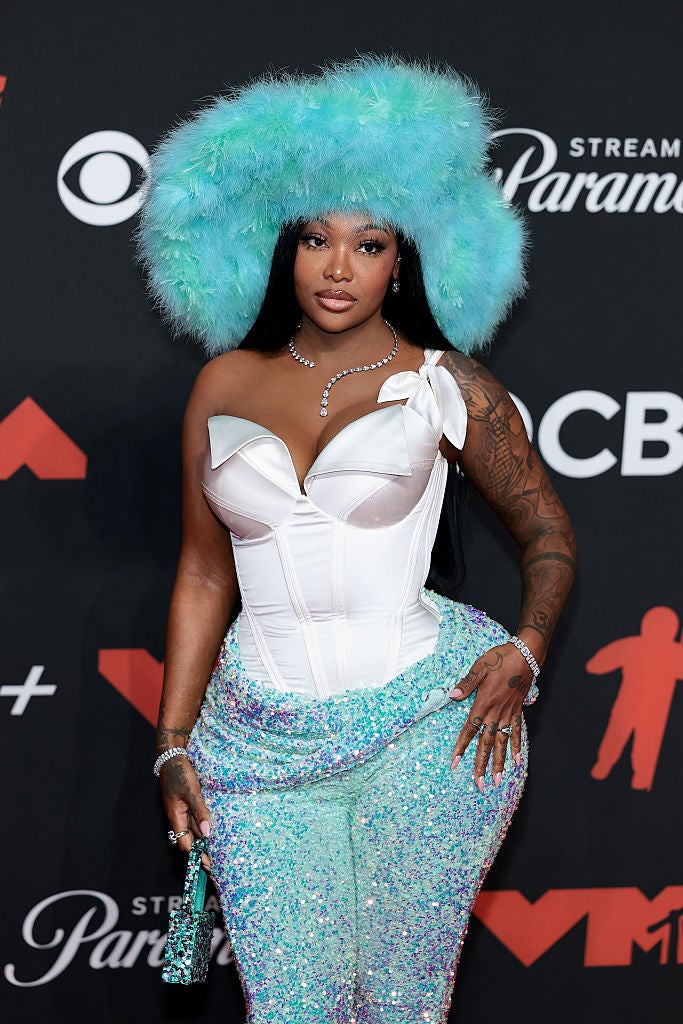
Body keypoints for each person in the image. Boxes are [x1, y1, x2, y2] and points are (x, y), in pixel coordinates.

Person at [139, 57, 576, 1023]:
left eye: (368, 244)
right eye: (315, 239)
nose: (338, 268)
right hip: (255, 745)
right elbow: (204, 574)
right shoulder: (222, 384)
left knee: (401, 1003)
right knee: (290, 1007)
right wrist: (172, 743)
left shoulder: (446, 383)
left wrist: (527, 649)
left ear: (402, 260)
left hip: (431, 727)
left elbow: (545, 526)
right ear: (280, 248)